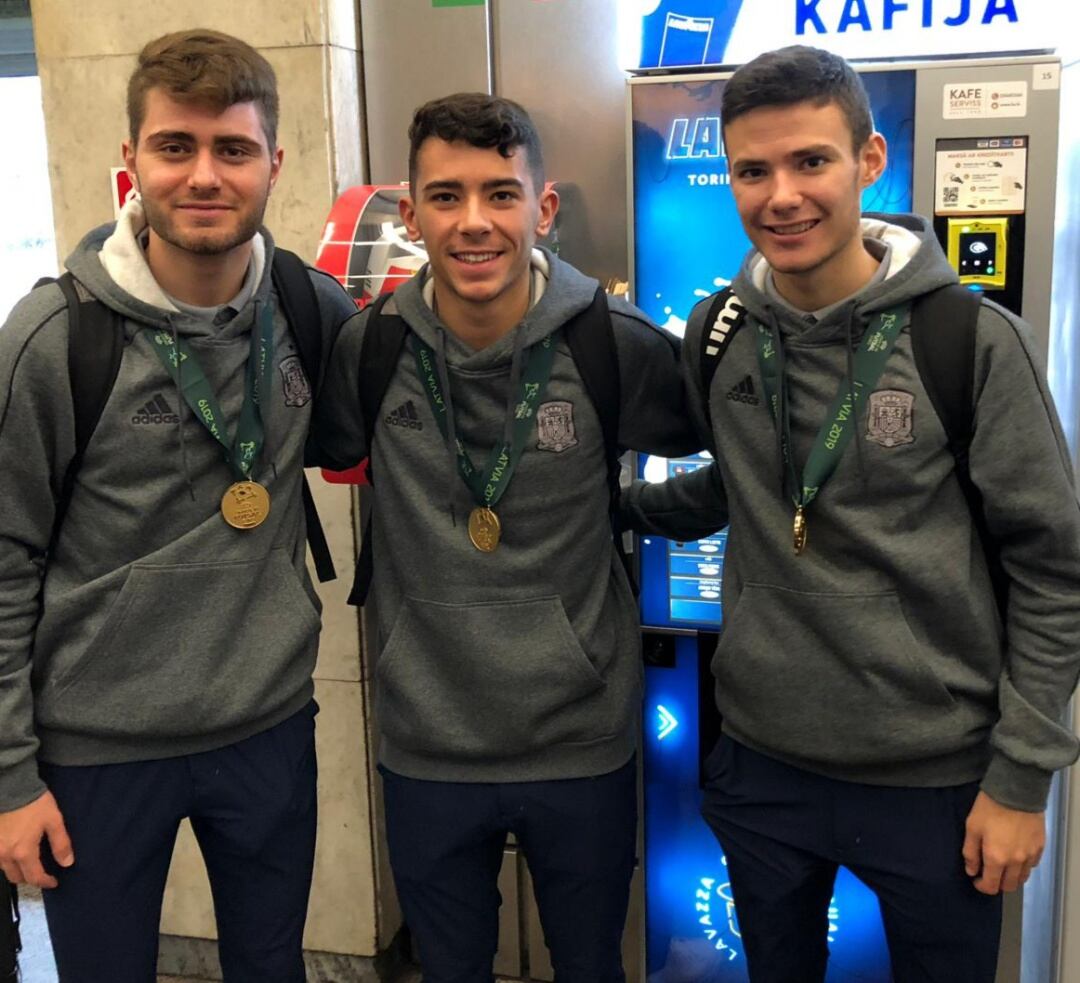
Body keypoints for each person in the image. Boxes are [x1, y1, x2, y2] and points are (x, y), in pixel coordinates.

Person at [623, 45, 1080, 983]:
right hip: (762, 762)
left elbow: (1053, 566)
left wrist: (1020, 777)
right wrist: (614, 506)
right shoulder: (722, 333)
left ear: (868, 160)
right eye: (754, 170)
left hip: (936, 780)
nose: (781, 195)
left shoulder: (970, 342)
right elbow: (746, 489)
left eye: (810, 162)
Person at [310, 92, 699, 983]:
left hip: (583, 738)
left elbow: (740, 460)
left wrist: (631, 512)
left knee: (590, 963)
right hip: (426, 740)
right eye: (445, 197)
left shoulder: (618, 346)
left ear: (544, 207)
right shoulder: (366, 351)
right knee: (450, 968)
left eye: (500, 193)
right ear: (411, 215)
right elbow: (317, 447)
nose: (474, 222)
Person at [0, 29, 356, 982]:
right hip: (96, 747)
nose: (204, 175)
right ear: (132, 162)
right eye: (175, 147)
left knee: (270, 965)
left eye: (233, 149)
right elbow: (3, 562)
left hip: (267, 723)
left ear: (273, 164)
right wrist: (10, 777)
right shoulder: (52, 337)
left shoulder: (309, 307)